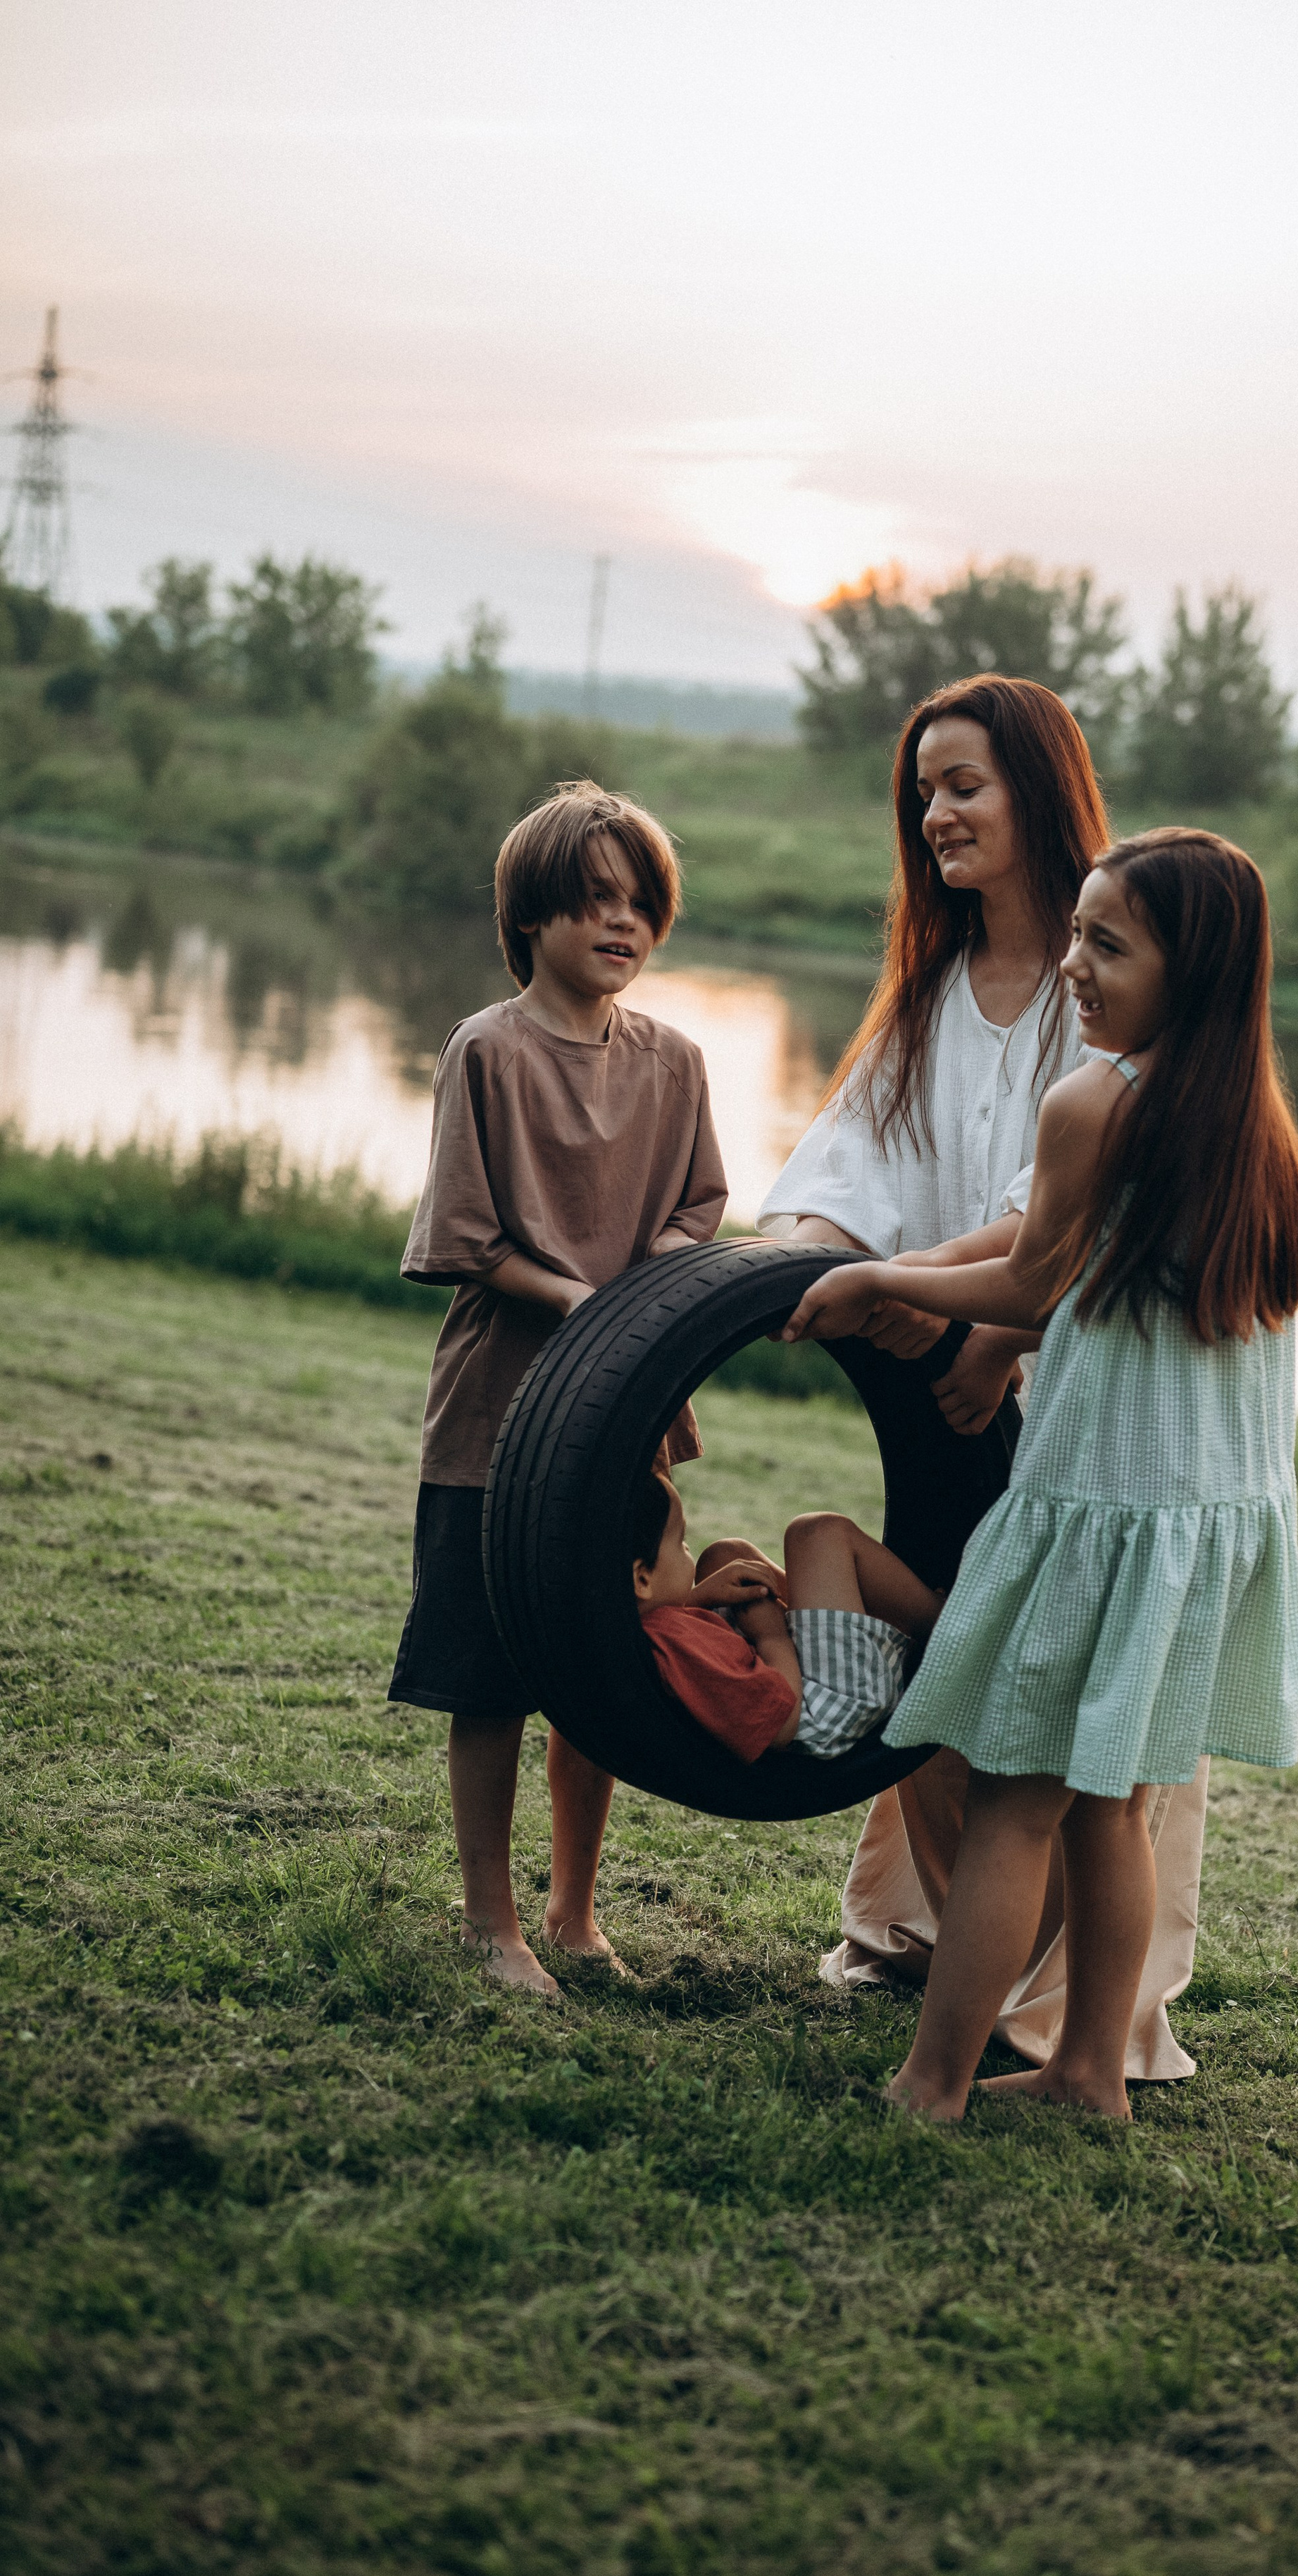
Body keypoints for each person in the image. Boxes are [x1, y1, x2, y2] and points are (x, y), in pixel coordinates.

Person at [784, 827, 1298, 2118]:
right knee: (1113, 1807)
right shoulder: (1254, 1130)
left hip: (1104, 1512)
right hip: (1205, 1522)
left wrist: (876, 1276)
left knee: (1019, 1800)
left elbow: (1030, 1278)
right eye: (1076, 931)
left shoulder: (1094, 1104)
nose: (1073, 964)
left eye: (1108, 944)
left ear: (1192, 969)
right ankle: (1089, 2073)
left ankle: (934, 2082)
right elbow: (1070, 1269)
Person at [759, 675, 1209, 2080]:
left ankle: (1071, 2017)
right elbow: (847, 1165)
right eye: (921, 792)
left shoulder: (1117, 985)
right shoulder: (932, 992)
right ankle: (918, 1936)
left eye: (964, 785)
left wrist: (989, 1324)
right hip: (949, 1384)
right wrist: (806, 1258)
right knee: (958, 1664)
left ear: (1038, 790)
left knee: (1070, 1726)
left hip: (1084, 1401)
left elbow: (1069, 1215)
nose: (935, 812)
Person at [389, 782, 728, 1999]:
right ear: (531, 917)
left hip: (625, 1419)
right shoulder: (488, 1050)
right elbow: (468, 1235)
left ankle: (576, 1916)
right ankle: (493, 1925)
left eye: (640, 904)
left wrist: (659, 1290)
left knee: (599, 1672)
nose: (621, 925)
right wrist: (588, 1304)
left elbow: (698, 1210)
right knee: (490, 1678)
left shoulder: (678, 1062)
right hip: (500, 1416)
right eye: (593, 903)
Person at [629, 1473, 941, 1761]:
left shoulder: (642, 1628)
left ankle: (873, 1618)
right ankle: (949, 1622)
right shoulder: (680, 1645)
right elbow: (780, 1728)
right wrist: (772, 1636)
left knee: (724, 1554)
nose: (688, 1550)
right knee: (817, 1532)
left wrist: (701, 1596)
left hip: (794, 1682)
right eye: (681, 1543)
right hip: (824, 1705)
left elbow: (666, 1625)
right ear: (643, 1579)